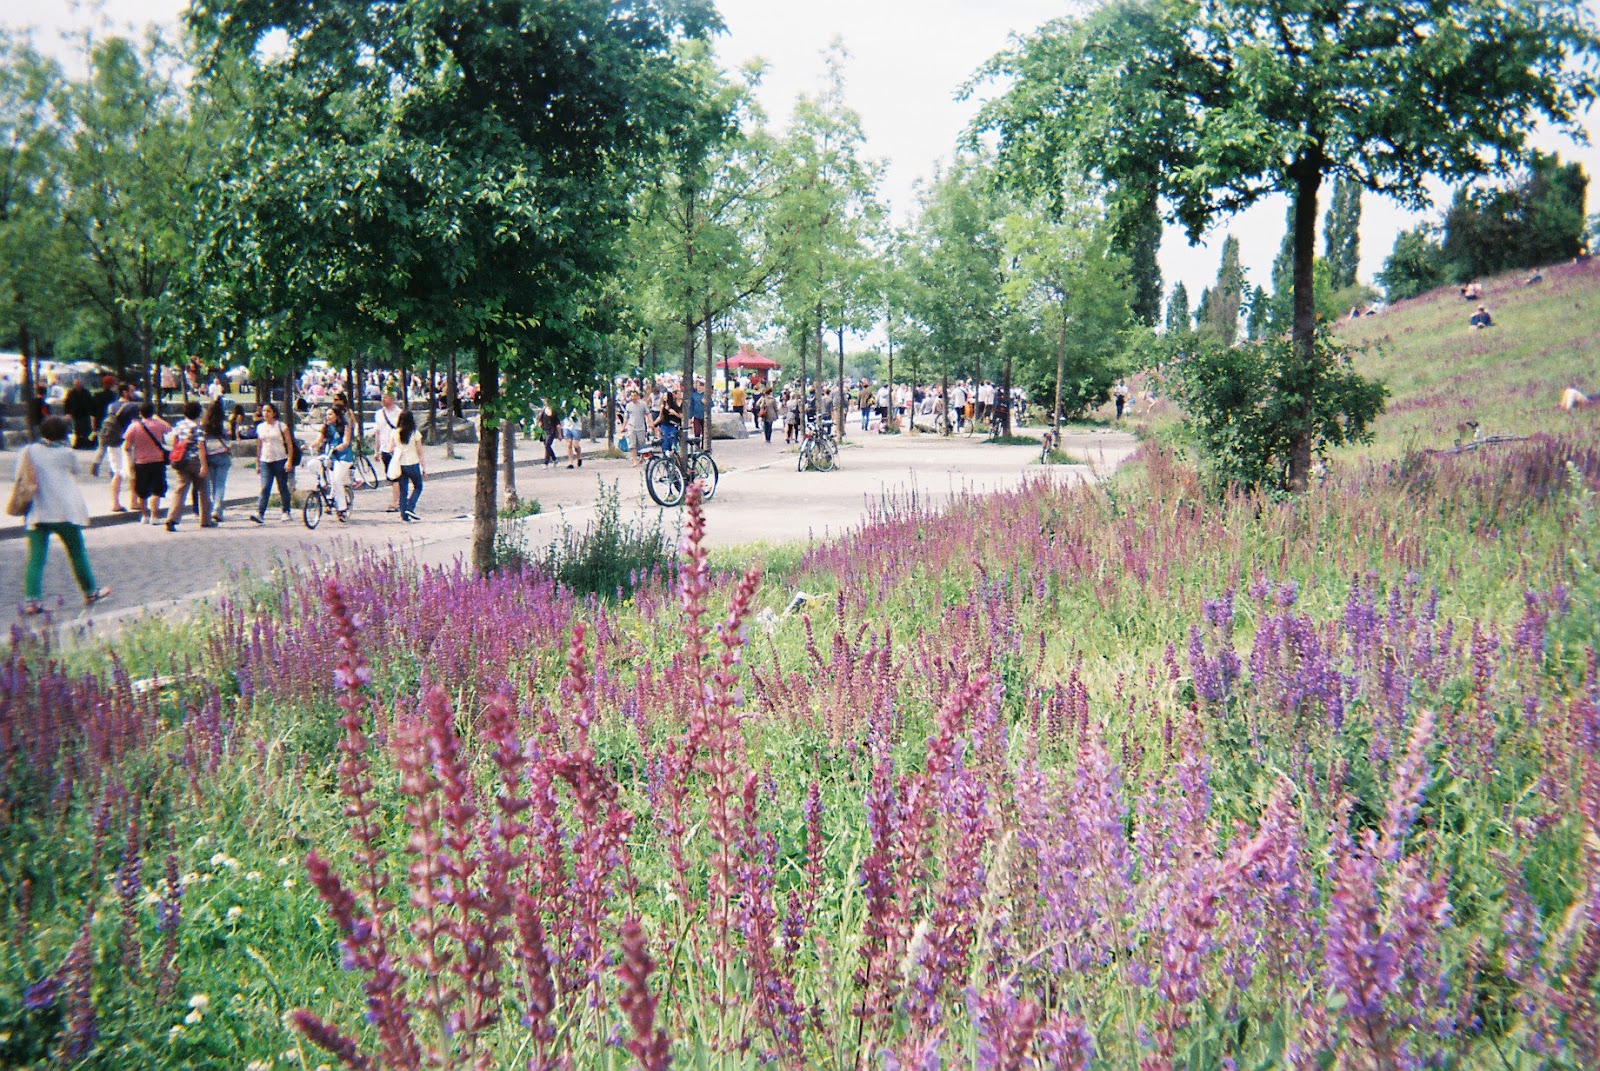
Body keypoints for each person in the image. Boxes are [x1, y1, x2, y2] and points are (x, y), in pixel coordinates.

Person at [15, 416, 112, 615]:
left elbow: (18, 475)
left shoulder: (28, 451)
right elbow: (75, 470)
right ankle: (89, 592)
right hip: (64, 511)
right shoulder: (66, 453)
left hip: (37, 510)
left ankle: (32, 600)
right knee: (76, 554)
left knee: (35, 559)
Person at [164, 399, 212, 532]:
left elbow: (175, 440)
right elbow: (201, 446)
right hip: (195, 460)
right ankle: (205, 520)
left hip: (181, 461)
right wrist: (204, 465)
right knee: (203, 490)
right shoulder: (197, 427)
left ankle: (172, 518)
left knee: (180, 490)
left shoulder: (179, 425)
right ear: (198, 413)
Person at [122, 400, 172, 525]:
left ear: (140, 413)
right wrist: (158, 418)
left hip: (140, 462)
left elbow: (126, 446)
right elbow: (169, 428)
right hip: (157, 461)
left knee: (142, 491)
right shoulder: (158, 425)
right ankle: (154, 516)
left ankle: (145, 515)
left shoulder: (134, 426)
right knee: (157, 490)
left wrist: (130, 460)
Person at [248, 402, 295, 524]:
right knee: (265, 487)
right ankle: (260, 513)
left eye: (268, 411)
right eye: (264, 411)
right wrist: (258, 462)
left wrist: (289, 460)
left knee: (282, 487)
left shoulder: (281, 426)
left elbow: (289, 444)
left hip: (280, 459)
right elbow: (259, 445)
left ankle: (286, 511)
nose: (266, 413)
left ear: (274, 413)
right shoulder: (260, 427)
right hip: (266, 460)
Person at [97, 383, 140, 503]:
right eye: (131, 391)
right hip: (126, 443)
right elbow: (135, 424)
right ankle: (133, 502)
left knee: (117, 472)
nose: (133, 394)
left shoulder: (111, 406)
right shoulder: (132, 406)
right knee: (133, 473)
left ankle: (115, 503)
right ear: (125, 392)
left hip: (112, 440)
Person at [317, 394, 354, 521]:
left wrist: (341, 446)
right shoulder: (326, 426)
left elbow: (346, 441)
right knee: (319, 468)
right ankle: (329, 496)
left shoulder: (345, 424)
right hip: (330, 456)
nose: (328, 417)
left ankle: (342, 508)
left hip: (343, 457)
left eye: (330, 415)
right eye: (327, 415)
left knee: (337, 480)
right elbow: (319, 439)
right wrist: (309, 446)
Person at [201, 400, 233, 523]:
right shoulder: (225, 424)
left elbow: (202, 442)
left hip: (209, 456)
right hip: (223, 456)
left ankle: (213, 508)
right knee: (220, 484)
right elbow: (228, 441)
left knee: (212, 484)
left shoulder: (204, 425)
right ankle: (217, 509)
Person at [374, 390, 403, 512]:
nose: (383, 399)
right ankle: (399, 499)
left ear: (393, 399)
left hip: (396, 449)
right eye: (382, 397)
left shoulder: (399, 413)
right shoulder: (379, 414)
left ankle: (396, 503)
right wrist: (376, 450)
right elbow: (378, 432)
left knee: (395, 476)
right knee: (390, 476)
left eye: (386, 397)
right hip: (384, 449)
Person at [393, 409, 425, 521]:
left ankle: (404, 514)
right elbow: (420, 452)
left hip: (400, 464)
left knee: (403, 490)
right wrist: (424, 467)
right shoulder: (415, 433)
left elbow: (391, 449)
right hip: (413, 463)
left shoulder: (395, 433)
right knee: (418, 486)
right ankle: (410, 507)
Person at [63, 378, 94, 449]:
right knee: (77, 429)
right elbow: (67, 403)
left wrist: (91, 412)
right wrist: (67, 413)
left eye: (78, 384)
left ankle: (85, 443)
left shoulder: (86, 392)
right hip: (76, 414)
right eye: (76, 384)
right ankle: (78, 443)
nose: (77, 385)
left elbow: (90, 403)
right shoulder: (71, 393)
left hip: (85, 414)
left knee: (86, 429)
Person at [625, 388, 649, 466]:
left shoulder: (643, 404)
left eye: (635, 396)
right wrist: (623, 426)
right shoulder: (628, 406)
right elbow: (626, 417)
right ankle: (635, 460)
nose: (633, 398)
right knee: (632, 445)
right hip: (631, 427)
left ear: (638, 396)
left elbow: (648, 414)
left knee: (642, 445)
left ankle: (641, 458)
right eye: (632, 396)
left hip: (641, 427)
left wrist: (650, 424)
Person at [655, 386, 682, 453]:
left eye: (666, 396)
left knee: (672, 441)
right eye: (664, 396)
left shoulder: (674, 406)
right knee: (665, 441)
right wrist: (654, 423)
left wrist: (674, 413)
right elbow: (660, 416)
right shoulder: (662, 406)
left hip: (672, 425)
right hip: (664, 425)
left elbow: (681, 416)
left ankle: (673, 454)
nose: (664, 397)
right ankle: (665, 454)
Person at [538, 401, 559, 466]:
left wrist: (559, 434)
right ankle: (554, 459)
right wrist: (539, 431)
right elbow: (540, 421)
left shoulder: (554, 412)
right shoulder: (543, 411)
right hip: (544, 431)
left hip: (551, 431)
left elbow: (558, 423)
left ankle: (546, 462)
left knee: (547, 445)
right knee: (547, 446)